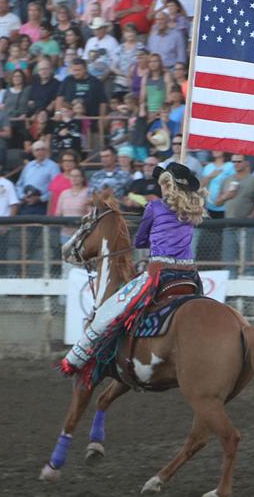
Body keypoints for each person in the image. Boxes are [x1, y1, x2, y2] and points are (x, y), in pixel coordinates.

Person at [60, 162, 205, 383]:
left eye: (162, 184)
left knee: (111, 310)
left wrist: (150, 238)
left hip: (160, 272)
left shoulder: (154, 207)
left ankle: (75, 358)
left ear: (167, 185)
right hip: (189, 274)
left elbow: (139, 241)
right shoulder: (193, 211)